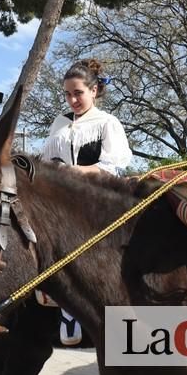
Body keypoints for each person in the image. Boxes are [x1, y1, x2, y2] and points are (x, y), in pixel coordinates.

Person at [41, 58, 132, 344]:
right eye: (67, 94)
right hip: (61, 197)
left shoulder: (107, 123)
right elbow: (46, 160)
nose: (72, 99)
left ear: (94, 91)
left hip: (95, 198)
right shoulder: (59, 122)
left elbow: (113, 167)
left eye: (78, 93)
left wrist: (73, 172)